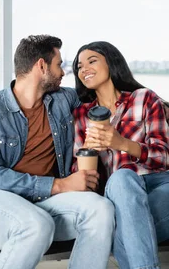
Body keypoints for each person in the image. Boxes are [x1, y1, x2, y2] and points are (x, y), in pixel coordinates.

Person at [0, 35, 115, 269]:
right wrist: (59, 185)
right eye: (58, 65)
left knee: (101, 208)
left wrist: (160, 106)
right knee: (36, 224)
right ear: (41, 65)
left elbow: (109, 96)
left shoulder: (63, 99)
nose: (63, 72)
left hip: (45, 203)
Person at [72, 41, 169, 269]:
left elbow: (164, 156)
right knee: (123, 179)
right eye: (78, 66)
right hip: (120, 192)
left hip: (159, 183)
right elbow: (83, 182)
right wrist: (89, 153)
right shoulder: (81, 116)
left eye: (92, 61)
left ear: (111, 61)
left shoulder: (143, 98)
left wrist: (121, 143)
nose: (83, 69)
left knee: (121, 227)